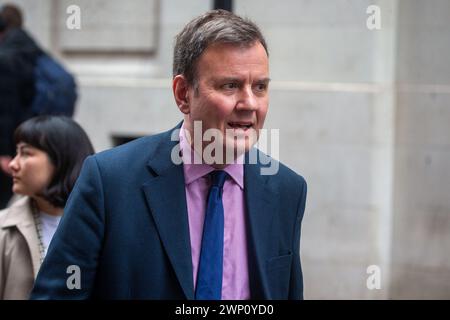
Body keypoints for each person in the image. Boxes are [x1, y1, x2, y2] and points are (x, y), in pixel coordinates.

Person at [31, 10, 307, 300]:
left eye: (260, 87)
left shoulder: (286, 191)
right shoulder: (109, 181)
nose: (250, 103)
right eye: (230, 86)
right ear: (183, 94)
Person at [0, 116, 94, 299]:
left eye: (26, 153)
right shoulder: (5, 229)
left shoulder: (107, 225)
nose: (13, 164)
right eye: (16, 152)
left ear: (61, 160)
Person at [0, 4, 43, 209]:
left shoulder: (6, 57)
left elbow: (5, 110)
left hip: (11, 141)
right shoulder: (32, 47)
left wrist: (4, 153)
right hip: (33, 134)